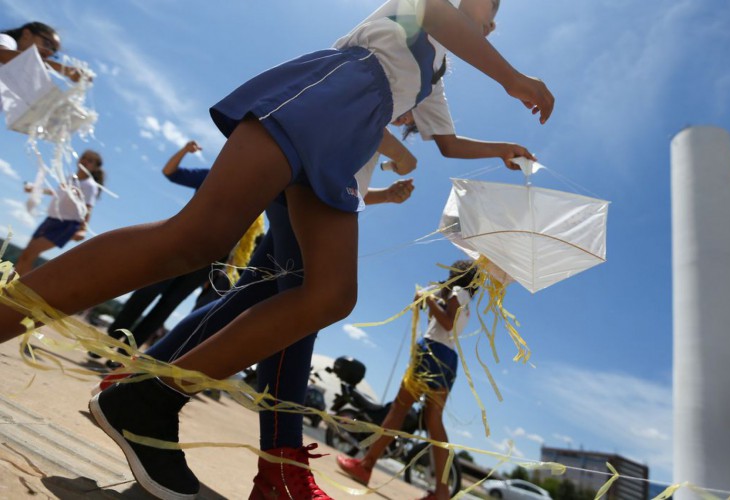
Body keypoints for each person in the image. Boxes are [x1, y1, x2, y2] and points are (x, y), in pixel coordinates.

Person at [0, 0, 553, 498]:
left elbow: (449, 144)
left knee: (329, 295)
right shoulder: (418, 14)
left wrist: (503, 146)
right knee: (199, 238)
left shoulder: (434, 75)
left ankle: (148, 400)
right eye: (491, 9)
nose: (495, 21)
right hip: (335, 90)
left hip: (354, 138)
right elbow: (436, 11)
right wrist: (513, 78)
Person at [94, 129, 417, 499]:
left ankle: (134, 382)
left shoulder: (395, 107)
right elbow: (367, 118)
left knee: (243, 301)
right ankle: (279, 469)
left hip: (317, 182)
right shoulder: (399, 90)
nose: (414, 120)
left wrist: (387, 194)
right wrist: (407, 156)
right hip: (308, 173)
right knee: (305, 304)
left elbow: (352, 183)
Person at [337, 260, 478, 500]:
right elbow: (447, 323)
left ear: (457, 274)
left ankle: (367, 465)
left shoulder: (457, 292)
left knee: (398, 410)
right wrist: (432, 303)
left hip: (432, 354)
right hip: (448, 359)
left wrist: (428, 299)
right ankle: (442, 492)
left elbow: (445, 322)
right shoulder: (465, 300)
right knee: (434, 422)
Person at [91, 141, 229, 369]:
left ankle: (127, 356)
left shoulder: (254, 190)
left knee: (167, 306)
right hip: (182, 243)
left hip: (210, 258)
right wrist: (185, 150)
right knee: (146, 292)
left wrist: (222, 268)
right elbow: (170, 172)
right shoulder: (210, 177)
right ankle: (109, 342)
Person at [14, 150, 104, 275]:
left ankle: (18, 291)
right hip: (50, 219)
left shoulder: (90, 186)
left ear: (95, 167)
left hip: (67, 225)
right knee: (25, 254)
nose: (85, 161)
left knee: (30, 253)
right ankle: (9, 287)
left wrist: (83, 229)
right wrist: (35, 189)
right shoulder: (70, 177)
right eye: (84, 157)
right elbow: (56, 192)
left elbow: (88, 207)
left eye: (90, 160)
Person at [0, 22, 83, 82]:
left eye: (53, 51)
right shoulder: (6, 40)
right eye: (47, 43)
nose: (50, 52)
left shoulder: (22, 75)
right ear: (27, 34)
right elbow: (2, 54)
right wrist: (63, 69)